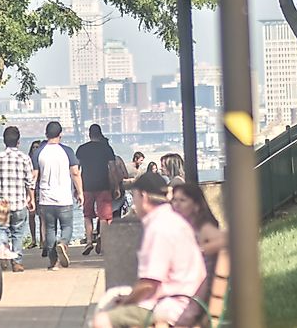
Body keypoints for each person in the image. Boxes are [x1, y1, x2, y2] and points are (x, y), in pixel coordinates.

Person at [92, 172, 206, 328]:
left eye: (135, 197)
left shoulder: (158, 227)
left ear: (143, 196)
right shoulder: (174, 219)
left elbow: (149, 283)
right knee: (113, 297)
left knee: (103, 320)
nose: (134, 204)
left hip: (174, 306)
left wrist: (126, 301)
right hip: (190, 299)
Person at [32, 121, 83, 270]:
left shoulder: (39, 152)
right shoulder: (67, 151)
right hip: (64, 198)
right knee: (67, 226)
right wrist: (79, 192)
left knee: (49, 229)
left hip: (46, 198)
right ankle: (63, 243)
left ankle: (53, 262)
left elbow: (34, 176)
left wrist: (30, 196)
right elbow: (75, 172)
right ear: (60, 135)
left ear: (46, 134)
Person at [0, 126, 35, 272]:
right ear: (18, 142)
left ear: (3, 141)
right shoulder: (24, 158)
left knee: (1, 230)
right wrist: (31, 198)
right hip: (19, 202)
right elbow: (29, 181)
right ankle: (17, 262)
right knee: (18, 234)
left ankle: (3, 255)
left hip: (2, 203)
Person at [76, 124, 116, 256]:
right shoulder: (107, 149)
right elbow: (113, 169)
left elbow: (77, 170)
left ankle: (88, 241)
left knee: (87, 215)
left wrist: (76, 188)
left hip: (87, 185)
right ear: (100, 134)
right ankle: (103, 243)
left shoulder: (82, 149)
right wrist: (115, 186)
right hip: (103, 185)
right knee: (104, 217)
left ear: (89, 134)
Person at [27, 140, 45, 251]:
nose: (35, 149)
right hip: (31, 191)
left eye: (37, 147)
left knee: (42, 216)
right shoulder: (28, 161)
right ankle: (33, 239)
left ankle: (43, 240)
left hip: (41, 190)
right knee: (31, 215)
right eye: (34, 147)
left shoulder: (42, 160)